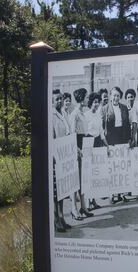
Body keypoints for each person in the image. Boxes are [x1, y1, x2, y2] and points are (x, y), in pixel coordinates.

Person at [101, 86, 132, 203]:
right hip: (111, 139)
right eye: (114, 95)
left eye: (118, 95)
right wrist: (106, 143)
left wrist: (128, 139)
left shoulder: (124, 108)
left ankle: (121, 193)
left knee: (122, 166)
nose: (116, 98)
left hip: (122, 138)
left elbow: (127, 124)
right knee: (112, 167)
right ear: (110, 96)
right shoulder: (104, 109)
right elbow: (102, 127)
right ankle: (112, 194)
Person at [69, 88, 94, 219]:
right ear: (81, 98)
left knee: (83, 178)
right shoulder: (74, 114)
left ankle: (83, 207)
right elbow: (72, 134)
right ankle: (74, 208)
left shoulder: (82, 113)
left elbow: (85, 132)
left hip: (84, 144)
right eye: (86, 97)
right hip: (77, 147)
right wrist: (77, 149)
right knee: (76, 180)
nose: (87, 99)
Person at [52, 90, 71, 233]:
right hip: (55, 156)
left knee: (63, 189)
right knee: (55, 191)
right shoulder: (51, 116)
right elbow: (52, 137)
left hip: (65, 156)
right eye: (57, 99)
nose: (59, 101)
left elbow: (68, 133)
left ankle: (62, 217)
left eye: (60, 99)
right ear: (52, 101)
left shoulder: (63, 114)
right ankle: (55, 220)